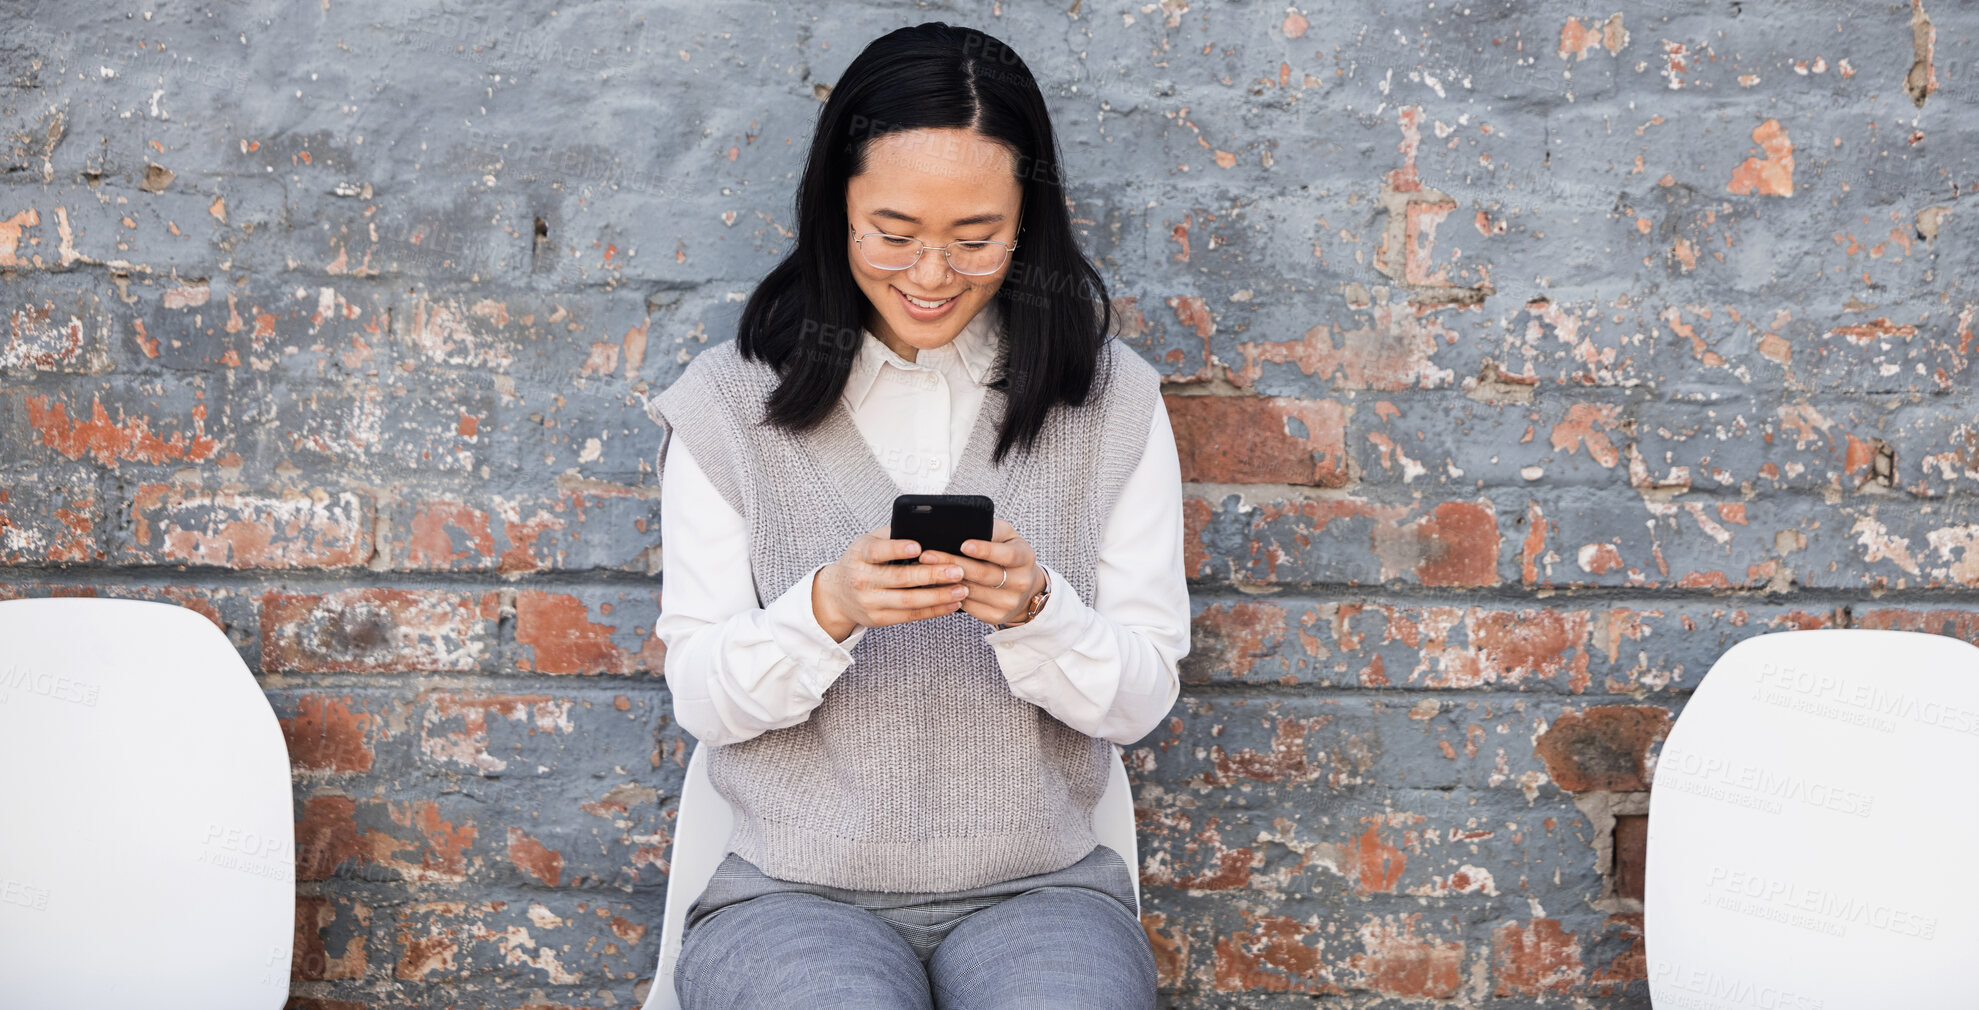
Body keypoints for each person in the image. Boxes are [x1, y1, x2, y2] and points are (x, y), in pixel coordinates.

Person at [646, 21, 1188, 1010]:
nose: (931, 276)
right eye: (892, 234)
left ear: (1028, 221)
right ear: (831, 210)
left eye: (974, 238)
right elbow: (702, 697)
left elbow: (1143, 697)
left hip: (1044, 891)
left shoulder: (1111, 405)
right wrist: (827, 606)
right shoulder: (726, 406)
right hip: (788, 896)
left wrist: (1038, 612)